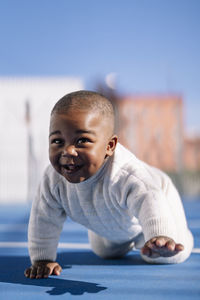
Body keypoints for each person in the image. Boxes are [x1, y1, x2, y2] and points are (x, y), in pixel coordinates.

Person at [24, 90, 193, 279]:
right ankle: (128, 241)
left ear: (110, 146)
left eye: (82, 141)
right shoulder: (52, 181)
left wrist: (161, 235)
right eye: (57, 141)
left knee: (165, 256)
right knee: (103, 252)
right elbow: (43, 218)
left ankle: (176, 237)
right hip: (112, 222)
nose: (68, 150)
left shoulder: (126, 174)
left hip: (158, 199)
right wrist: (42, 259)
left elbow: (150, 199)